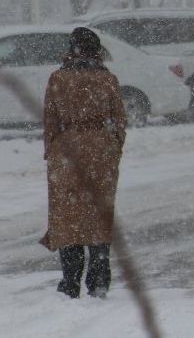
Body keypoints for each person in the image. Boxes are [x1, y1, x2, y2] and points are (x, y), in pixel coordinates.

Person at [41, 27, 127, 299]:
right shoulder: (108, 80)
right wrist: (113, 148)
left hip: (66, 153)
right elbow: (120, 120)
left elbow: (50, 121)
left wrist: (52, 151)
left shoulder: (57, 79)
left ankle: (70, 281)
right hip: (101, 152)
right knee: (98, 215)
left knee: (68, 217)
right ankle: (99, 279)